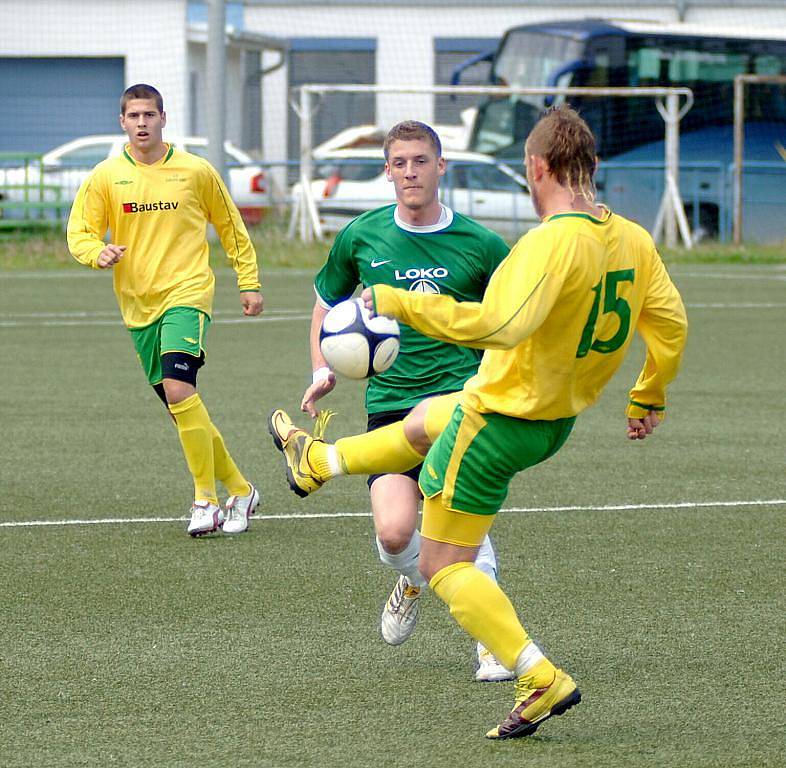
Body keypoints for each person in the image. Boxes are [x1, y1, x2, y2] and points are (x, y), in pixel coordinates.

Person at [269, 105, 688, 738]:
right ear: (591, 165)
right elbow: (671, 325)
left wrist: (398, 302)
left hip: (499, 422)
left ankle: (534, 671)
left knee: (440, 563)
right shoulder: (632, 237)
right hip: (548, 418)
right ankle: (320, 461)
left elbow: (497, 324)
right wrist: (648, 395)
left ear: (536, 166)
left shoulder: (547, 242)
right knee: (432, 417)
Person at [286, 120, 514, 681]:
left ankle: (491, 644)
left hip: (460, 402)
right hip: (390, 406)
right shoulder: (361, 236)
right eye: (400, 163)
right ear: (386, 171)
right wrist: (323, 367)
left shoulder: (482, 245)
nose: (410, 171)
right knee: (394, 534)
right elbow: (325, 307)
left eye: (421, 160)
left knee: (458, 521)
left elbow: (512, 317)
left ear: (442, 167)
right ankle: (414, 577)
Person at [67, 83, 263, 537]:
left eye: (149, 115)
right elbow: (79, 231)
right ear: (122, 121)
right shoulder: (105, 176)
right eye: (133, 115)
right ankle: (240, 488)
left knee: (179, 389)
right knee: (183, 406)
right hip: (138, 306)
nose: (141, 123)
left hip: (187, 294)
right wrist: (94, 252)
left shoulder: (196, 171)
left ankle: (205, 501)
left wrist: (248, 283)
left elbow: (231, 228)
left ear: (163, 118)